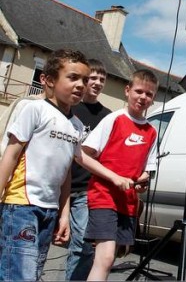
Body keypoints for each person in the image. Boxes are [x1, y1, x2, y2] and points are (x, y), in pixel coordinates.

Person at [0, 49, 89, 281]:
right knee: (20, 274)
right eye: (73, 77)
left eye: (85, 80)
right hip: (21, 205)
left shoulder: (77, 126)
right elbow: (10, 155)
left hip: (49, 210)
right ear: (49, 80)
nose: (81, 84)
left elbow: (66, 172)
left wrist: (64, 214)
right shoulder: (34, 109)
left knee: (35, 271)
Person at [75, 69, 159, 281]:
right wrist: (113, 177)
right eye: (139, 91)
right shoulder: (114, 119)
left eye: (149, 94)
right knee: (105, 257)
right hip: (103, 196)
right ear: (127, 90)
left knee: (113, 257)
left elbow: (146, 171)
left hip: (128, 202)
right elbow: (82, 156)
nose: (143, 97)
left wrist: (143, 181)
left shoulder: (151, 132)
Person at [65, 59, 112, 281]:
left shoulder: (108, 116)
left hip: (86, 189)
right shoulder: (70, 107)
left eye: (101, 79)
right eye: (93, 78)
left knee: (83, 246)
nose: (97, 82)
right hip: (61, 185)